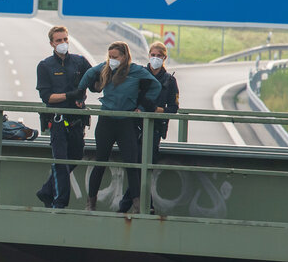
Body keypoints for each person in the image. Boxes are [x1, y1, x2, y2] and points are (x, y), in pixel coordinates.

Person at [78, 41, 161, 213]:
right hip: (107, 120)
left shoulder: (136, 70)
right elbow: (87, 75)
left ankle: (138, 205)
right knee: (100, 162)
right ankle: (90, 203)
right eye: (110, 57)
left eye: (115, 57)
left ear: (124, 57)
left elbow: (156, 86)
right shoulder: (105, 68)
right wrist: (80, 94)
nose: (112, 60)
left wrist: (143, 107)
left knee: (132, 164)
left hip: (126, 121)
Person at [118, 42, 180, 213]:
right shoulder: (139, 75)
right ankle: (144, 204)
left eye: (159, 56)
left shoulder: (169, 80)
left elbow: (173, 108)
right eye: (152, 55)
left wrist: (156, 110)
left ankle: (128, 205)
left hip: (155, 128)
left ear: (164, 58)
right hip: (135, 126)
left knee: (147, 164)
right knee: (136, 164)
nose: (155, 59)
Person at [35, 26, 92, 209]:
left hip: (76, 120)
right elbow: (47, 97)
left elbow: (96, 81)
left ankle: (46, 190)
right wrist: (69, 96)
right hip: (58, 120)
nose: (63, 43)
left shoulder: (79, 62)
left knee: (75, 155)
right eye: (59, 41)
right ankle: (60, 202)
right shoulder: (45, 66)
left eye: (65, 40)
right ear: (52, 43)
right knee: (61, 161)